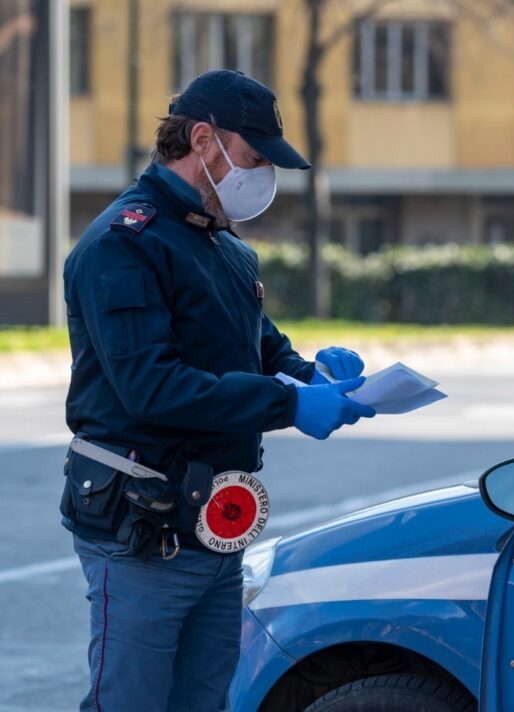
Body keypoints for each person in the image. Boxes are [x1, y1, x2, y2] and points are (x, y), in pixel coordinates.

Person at [61, 69, 375, 711]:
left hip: (214, 523)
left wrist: (315, 374)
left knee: (207, 701)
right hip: (142, 527)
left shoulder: (224, 247)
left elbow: (264, 351)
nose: (262, 176)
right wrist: (289, 403)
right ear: (202, 140)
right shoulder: (124, 245)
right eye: (255, 158)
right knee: (131, 703)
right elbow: (153, 387)